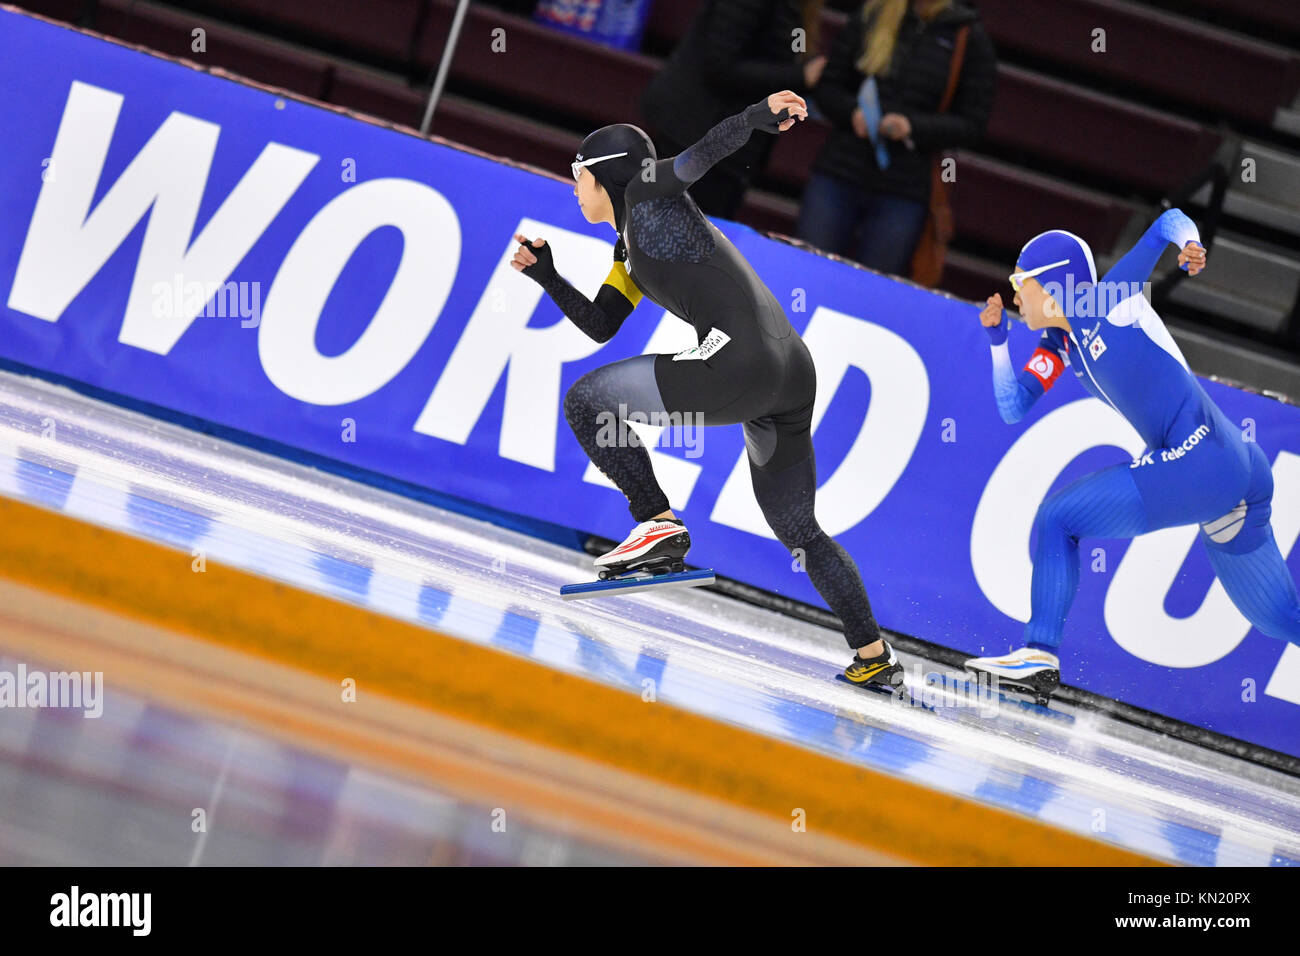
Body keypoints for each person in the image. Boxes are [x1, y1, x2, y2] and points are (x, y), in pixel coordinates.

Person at [511, 91, 901, 689]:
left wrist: (754, 117)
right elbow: (601, 323)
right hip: (791, 372)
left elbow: (698, 157)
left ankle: (656, 522)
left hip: (740, 362)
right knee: (801, 530)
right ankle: (875, 657)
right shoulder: (629, 246)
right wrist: (548, 275)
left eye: (579, 175)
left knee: (585, 402)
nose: (573, 187)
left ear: (607, 176)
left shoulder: (646, 194)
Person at [965, 209, 1300, 698]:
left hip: (1202, 458)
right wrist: (998, 344)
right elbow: (1014, 406)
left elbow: (1167, 221)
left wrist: (1189, 243)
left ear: (1053, 284)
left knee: (1059, 518)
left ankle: (1038, 653)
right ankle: (1036, 656)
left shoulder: (1106, 299)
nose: (1014, 293)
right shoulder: (1061, 342)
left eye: (1021, 280)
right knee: (1277, 618)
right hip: (1233, 468)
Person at [798, 0, 994, 276]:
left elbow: (973, 124)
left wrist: (913, 127)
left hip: (904, 187)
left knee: (874, 289)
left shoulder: (968, 37)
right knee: (807, 268)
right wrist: (852, 113)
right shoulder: (872, 13)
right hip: (841, 168)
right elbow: (829, 85)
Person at [640, 0, 827, 219]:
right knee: (670, 234)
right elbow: (720, 66)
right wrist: (801, 76)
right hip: (698, 134)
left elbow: (790, 51)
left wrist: (805, 71)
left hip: (731, 145)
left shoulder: (798, 10)